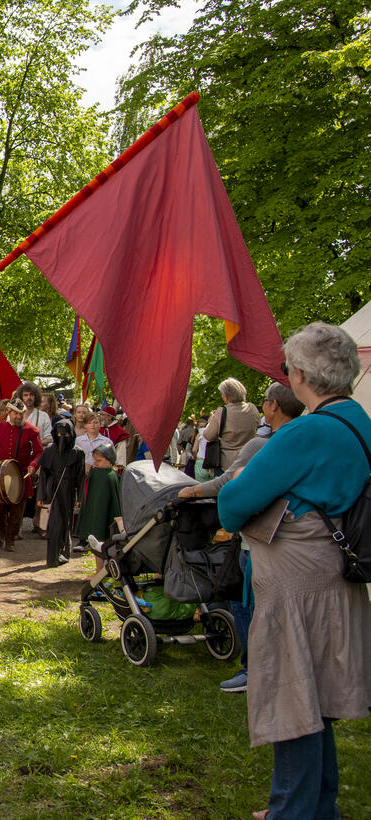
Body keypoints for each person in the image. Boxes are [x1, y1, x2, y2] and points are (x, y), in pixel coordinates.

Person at [217, 323, 371, 820]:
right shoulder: (360, 421)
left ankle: (292, 811)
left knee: (294, 696)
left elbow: (232, 504)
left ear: (300, 374)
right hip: (335, 577)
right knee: (316, 695)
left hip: (299, 583)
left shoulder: (307, 430)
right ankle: (315, 806)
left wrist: (240, 483)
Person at [178, 383, 305, 695]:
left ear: (273, 406)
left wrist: (189, 490)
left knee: (245, 603)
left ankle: (253, 669)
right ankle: (286, 668)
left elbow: (226, 482)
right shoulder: (306, 441)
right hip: (297, 540)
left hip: (259, 539)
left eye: (265, 401)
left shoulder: (261, 445)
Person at [0, 399, 42, 551]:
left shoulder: (32, 430)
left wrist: (33, 466)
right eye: (15, 413)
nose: (18, 416)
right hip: (1, 473)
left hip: (22, 473)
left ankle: (10, 539)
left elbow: (39, 452)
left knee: (17, 512)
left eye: (20, 414)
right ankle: (2, 533)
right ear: (9, 413)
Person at [36, 419, 85, 567]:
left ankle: (63, 553)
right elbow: (43, 475)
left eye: (66, 434)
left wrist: (80, 497)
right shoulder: (50, 451)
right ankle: (53, 558)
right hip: (53, 489)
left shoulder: (77, 453)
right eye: (59, 433)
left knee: (66, 522)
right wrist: (41, 496)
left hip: (69, 490)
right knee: (55, 523)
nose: (62, 437)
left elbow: (81, 477)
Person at [201, 377, 261, 473]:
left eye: (222, 394)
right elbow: (258, 426)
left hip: (227, 464)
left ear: (227, 396)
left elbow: (208, 435)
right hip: (249, 461)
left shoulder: (222, 412)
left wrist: (210, 422)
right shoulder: (252, 408)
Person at [75, 443, 123, 566]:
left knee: (101, 538)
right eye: (94, 461)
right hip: (95, 514)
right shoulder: (97, 474)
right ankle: (99, 570)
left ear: (109, 460)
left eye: (99, 461)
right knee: (97, 539)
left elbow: (110, 500)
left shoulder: (109, 477)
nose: (95, 464)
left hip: (104, 518)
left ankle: (101, 571)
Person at [14, 380, 52, 446]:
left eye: (31, 395)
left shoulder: (43, 416)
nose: (29, 397)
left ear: (35, 397)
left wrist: (34, 444)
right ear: (21, 398)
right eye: (25, 395)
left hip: (37, 454)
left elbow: (49, 439)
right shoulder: (13, 415)